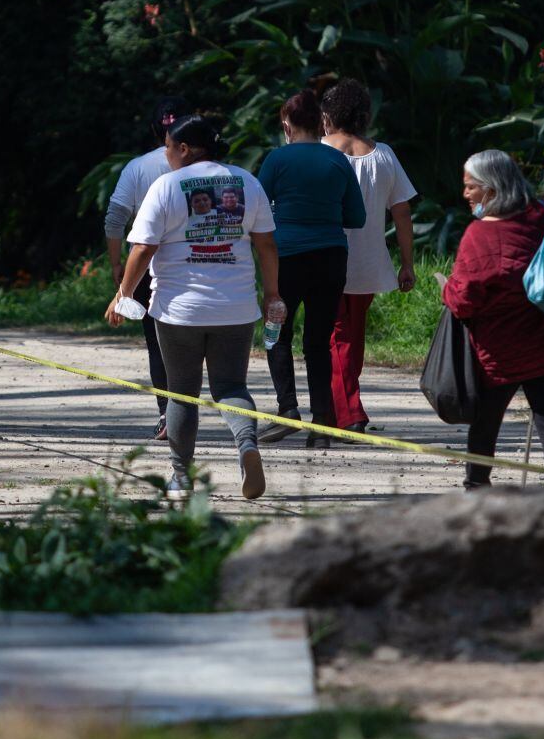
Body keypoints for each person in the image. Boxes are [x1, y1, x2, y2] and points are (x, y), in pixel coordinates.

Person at [106, 114, 280, 502]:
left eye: (168, 147)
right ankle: (247, 445)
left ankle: (182, 477)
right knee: (232, 386)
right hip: (236, 306)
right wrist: (272, 294)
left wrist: (124, 294)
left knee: (181, 392)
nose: (165, 154)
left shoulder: (167, 185)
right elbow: (267, 245)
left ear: (183, 149)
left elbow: (143, 248)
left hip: (178, 310)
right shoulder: (246, 182)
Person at [441, 149, 544, 489]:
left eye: (470, 187)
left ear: (491, 190)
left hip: (499, 353)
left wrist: (446, 291)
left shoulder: (479, 237)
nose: (465, 194)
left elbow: (463, 302)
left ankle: (476, 486)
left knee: (486, 421)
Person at [255, 88, 366, 447]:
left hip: (286, 259)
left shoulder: (276, 160)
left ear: (287, 124)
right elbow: (357, 217)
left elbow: (256, 210)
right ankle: (323, 420)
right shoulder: (338, 162)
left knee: (275, 333)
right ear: (320, 122)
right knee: (318, 341)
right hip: (331, 259)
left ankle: (287, 410)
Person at [319, 78, 417, 441]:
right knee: (350, 336)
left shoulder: (318, 151)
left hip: (324, 259)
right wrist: (407, 263)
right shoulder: (384, 154)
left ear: (328, 115)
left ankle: (348, 412)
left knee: (337, 336)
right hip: (369, 262)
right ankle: (339, 407)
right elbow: (402, 212)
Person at [103, 96, 188, 440]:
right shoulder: (208, 170)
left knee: (157, 342)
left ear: (154, 129)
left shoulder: (137, 168)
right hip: (193, 264)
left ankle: (168, 414)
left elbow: (114, 220)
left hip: (147, 265)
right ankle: (185, 411)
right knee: (189, 341)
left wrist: (117, 266)